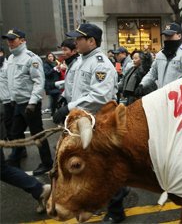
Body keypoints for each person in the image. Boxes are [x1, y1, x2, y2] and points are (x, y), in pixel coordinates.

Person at [52, 24, 126, 223]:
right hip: (81, 121)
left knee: (107, 166)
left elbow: (99, 96)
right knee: (90, 166)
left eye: (79, 38)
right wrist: (65, 100)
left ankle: (117, 210)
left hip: (97, 122)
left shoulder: (101, 63)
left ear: (91, 41)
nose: (75, 42)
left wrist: (69, 108)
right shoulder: (79, 61)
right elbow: (74, 87)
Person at [2, 28, 53, 175]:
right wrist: (12, 99)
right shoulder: (11, 59)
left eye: (13, 39)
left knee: (37, 134)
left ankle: (47, 162)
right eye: (8, 39)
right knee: (15, 132)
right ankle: (14, 159)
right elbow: (11, 82)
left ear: (23, 40)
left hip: (30, 104)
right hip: (17, 103)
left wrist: (33, 102)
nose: (10, 42)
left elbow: (38, 82)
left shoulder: (31, 58)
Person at [136, 23, 182, 95]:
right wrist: (143, 84)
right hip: (162, 96)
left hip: (178, 98)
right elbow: (152, 73)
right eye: (166, 36)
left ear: (179, 36)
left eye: (170, 36)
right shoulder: (160, 55)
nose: (167, 38)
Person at [57, 38, 80, 107]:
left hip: (76, 104)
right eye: (62, 50)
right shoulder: (70, 64)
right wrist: (63, 95)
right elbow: (69, 83)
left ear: (74, 51)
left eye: (65, 50)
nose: (62, 52)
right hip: (70, 103)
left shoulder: (78, 65)